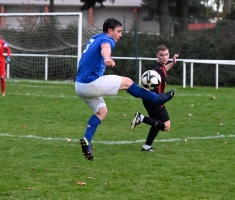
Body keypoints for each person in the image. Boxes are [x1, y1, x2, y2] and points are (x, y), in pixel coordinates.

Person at [75, 18, 175, 161]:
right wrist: (107, 58)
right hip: (91, 83)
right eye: (119, 31)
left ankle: (86, 140)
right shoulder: (107, 40)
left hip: (79, 86)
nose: (120, 34)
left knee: (102, 112)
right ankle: (157, 98)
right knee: (127, 82)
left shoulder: (95, 37)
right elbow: (105, 48)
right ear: (110, 31)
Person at [131, 44, 179, 152]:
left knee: (157, 122)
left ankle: (147, 146)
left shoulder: (160, 67)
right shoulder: (155, 69)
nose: (164, 57)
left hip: (153, 99)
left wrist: (172, 63)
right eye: (162, 55)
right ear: (157, 55)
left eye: (166, 55)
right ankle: (141, 118)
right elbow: (147, 80)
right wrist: (146, 91)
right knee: (166, 125)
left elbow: (163, 71)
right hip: (154, 101)